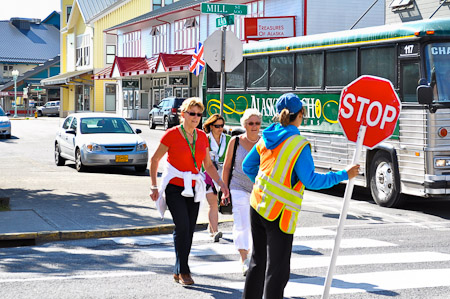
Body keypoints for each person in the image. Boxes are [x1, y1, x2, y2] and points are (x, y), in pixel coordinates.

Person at [241, 93, 360, 299]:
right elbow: (311, 180)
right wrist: (344, 174)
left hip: (257, 204)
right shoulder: (298, 144)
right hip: (278, 214)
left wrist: (264, 184)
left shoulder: (267, 137)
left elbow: (248, 166)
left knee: (257, 262)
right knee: (277, 271)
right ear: (301, 114)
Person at [149, 97, 230, 286]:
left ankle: (178, 269)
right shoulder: (171, 134)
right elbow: (154, 160)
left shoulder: (202, 136)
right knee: (183, 226)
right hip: (174, 186)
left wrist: (221, 183)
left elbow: (207, 165)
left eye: (199, 114)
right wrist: (154, 186)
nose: (196, 117)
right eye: (192, 113)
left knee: (189, 229)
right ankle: (184, 270)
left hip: (194, 186)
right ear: (183, 114)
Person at [222, 108, 262, 276]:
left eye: (257, 123)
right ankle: (244, 258)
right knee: (242, 222)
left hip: (258, 189)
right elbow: (226, 166)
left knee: (257, 225)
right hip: (237, 186)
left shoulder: (264, 142)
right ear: (244, 125)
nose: (254, 126)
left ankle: (255, 255)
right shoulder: (235, 141)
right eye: (250, 123)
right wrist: (224, 189)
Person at [202, 113, 231, 242]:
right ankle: (214, 232)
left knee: (219, 203)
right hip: (207, 175)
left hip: (224, 174)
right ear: (211, 126)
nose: (220, 128)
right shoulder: (205, 139)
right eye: (217, 126)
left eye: (222, 126)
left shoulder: (229, 139)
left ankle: (211, 226)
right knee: (213, 203)